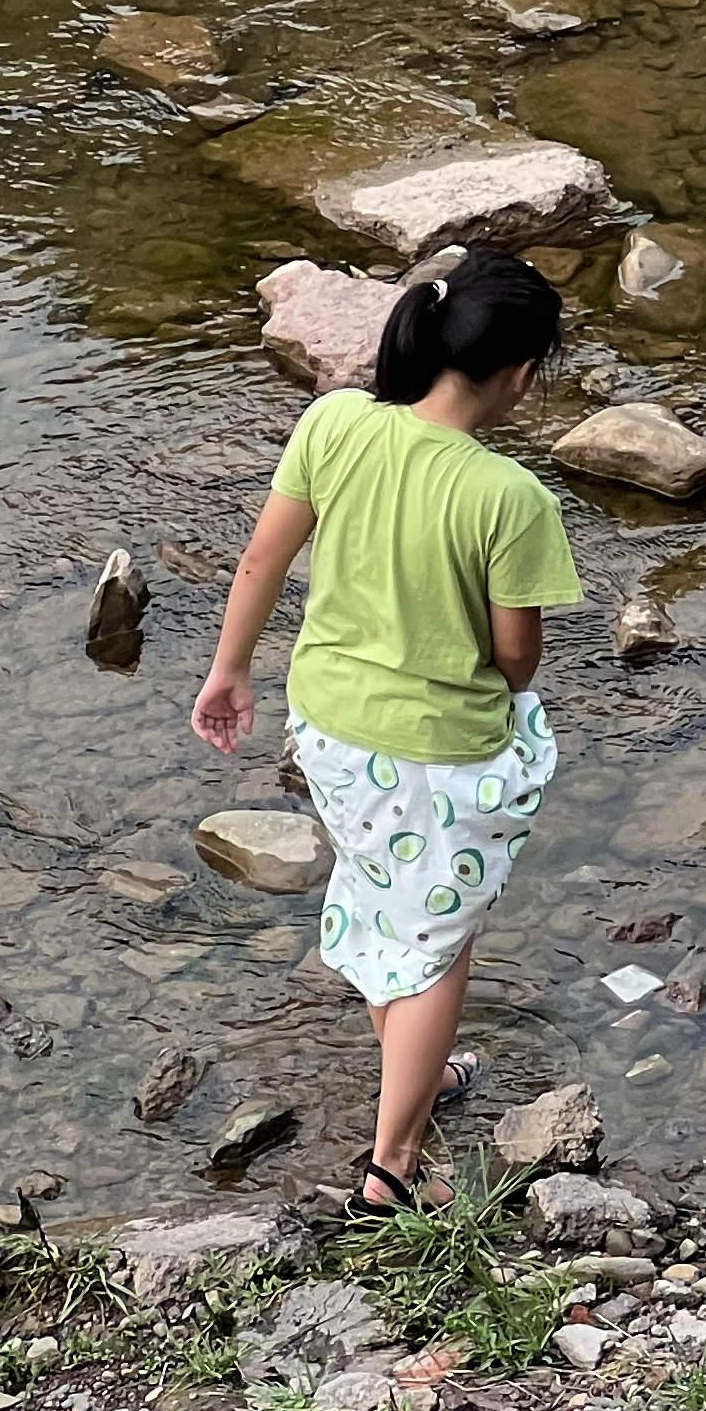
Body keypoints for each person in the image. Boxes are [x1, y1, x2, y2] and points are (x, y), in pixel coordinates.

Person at [192, 251, 583, 1213]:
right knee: (440, 942)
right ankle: (391, 1165)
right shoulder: (511, 499)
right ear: (524, 373)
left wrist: (229, 670)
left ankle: (419, 1071)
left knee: (384, 894)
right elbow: (517, 660)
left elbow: (260, 563)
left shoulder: (334, 421)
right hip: (442, 753)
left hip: (328, 729)